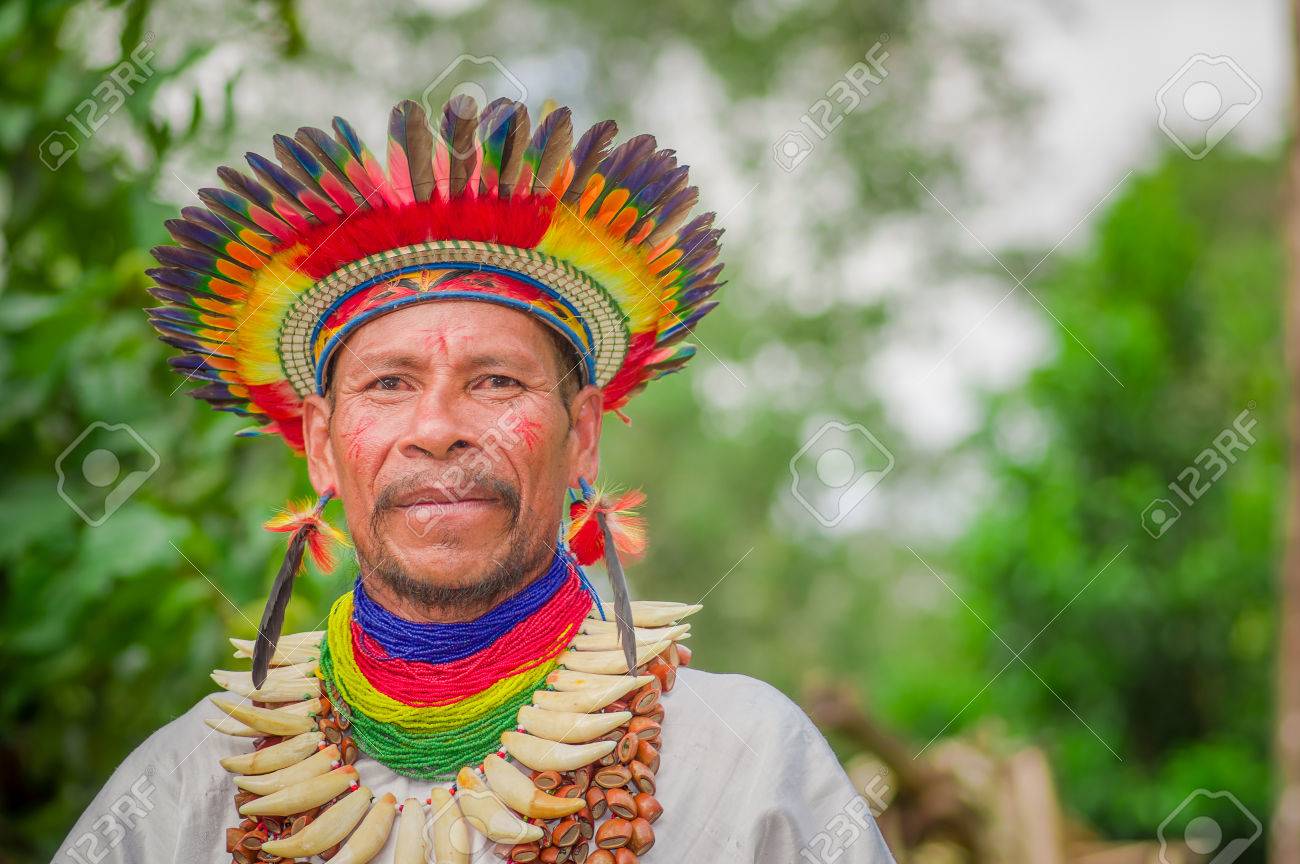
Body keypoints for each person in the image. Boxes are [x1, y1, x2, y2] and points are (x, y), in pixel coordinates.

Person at [53, 96, 895, 864]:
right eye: (388, 384)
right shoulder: (189, 782)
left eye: (497, 381)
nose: (437, 428)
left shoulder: (745, 768)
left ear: (584, 439)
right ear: (320, 446)